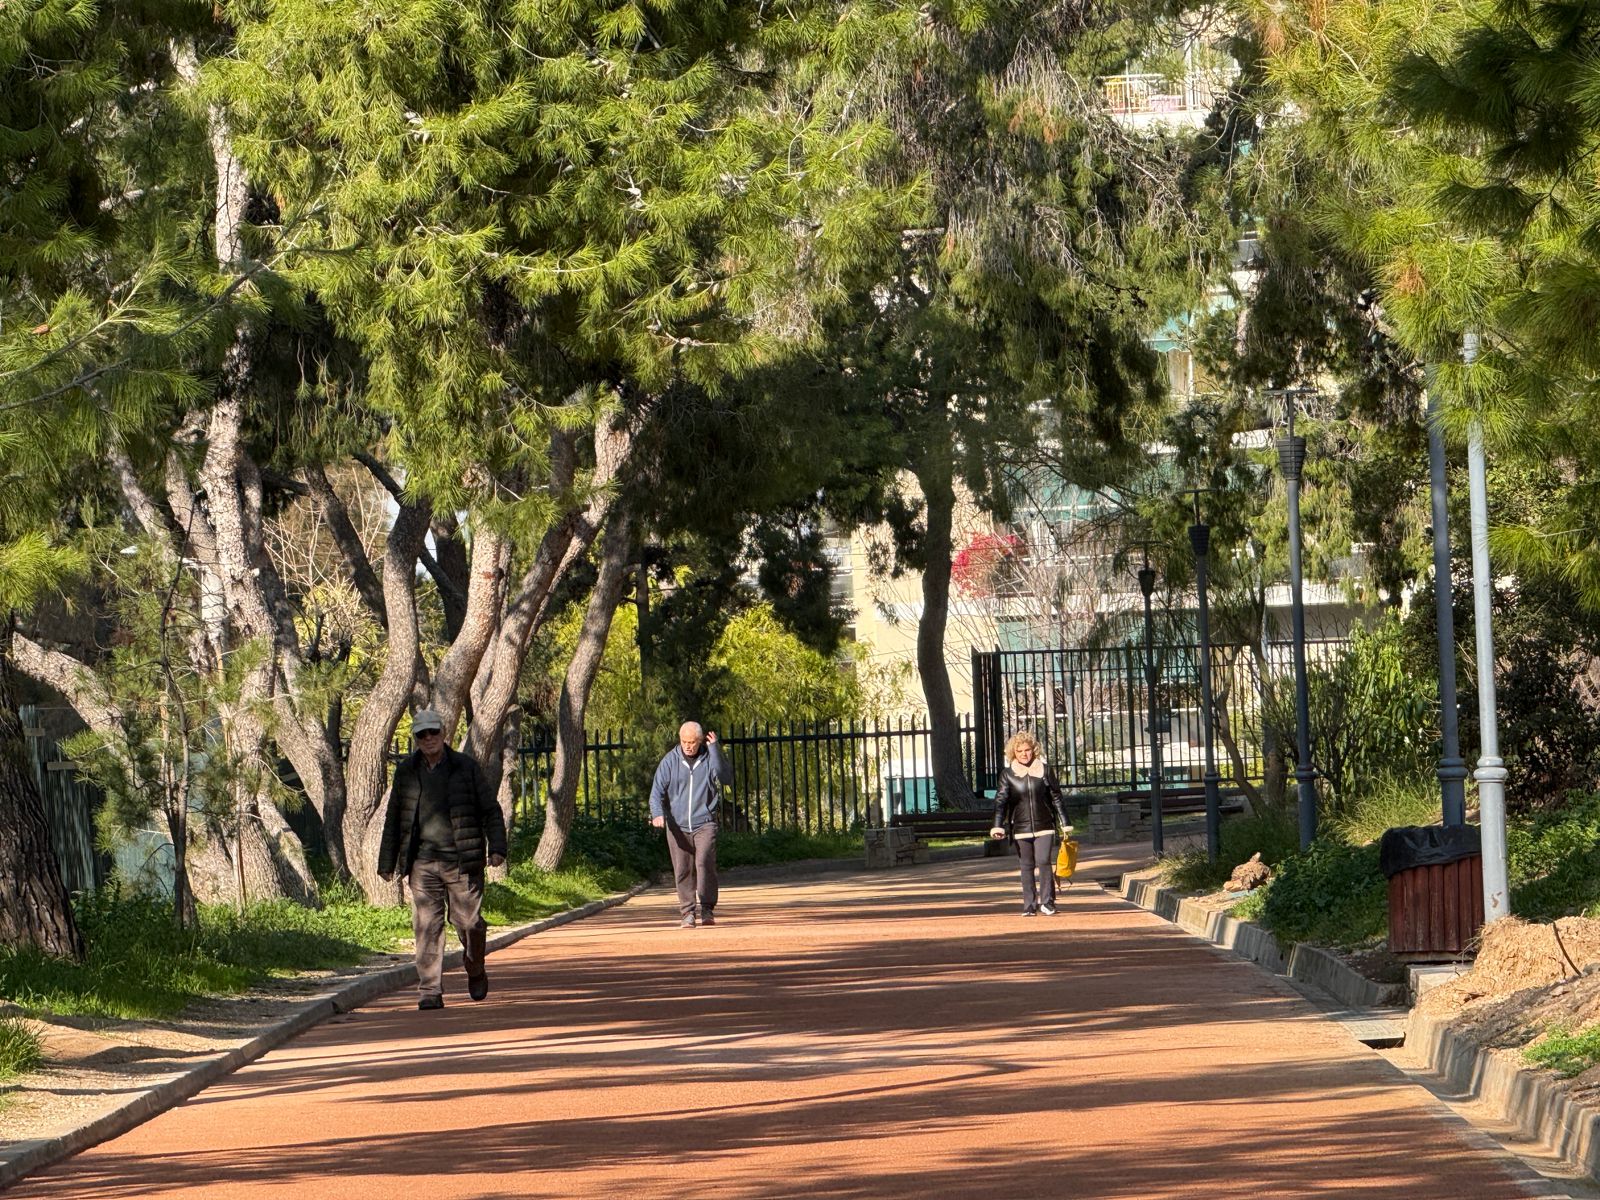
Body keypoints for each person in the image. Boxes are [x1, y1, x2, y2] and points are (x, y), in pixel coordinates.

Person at [377, 708, 507, 1009]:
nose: (428, 738)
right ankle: (430, 990)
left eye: (433, 732)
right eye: (421, 734)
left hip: (462, 862)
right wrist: (387, 861)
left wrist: (497, 848)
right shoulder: (407, 771)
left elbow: (490, 810)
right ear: (416, 739)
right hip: (422, 863)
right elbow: (394, 817)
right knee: (427, 926)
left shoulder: (465, 767)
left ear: (443, 733)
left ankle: (475, 966)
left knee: (469, 924)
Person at [650, 721, 732, 928]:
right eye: (684, 741)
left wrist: (715, 750)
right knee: (682, 869)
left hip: (704, 823)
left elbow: (725, 778)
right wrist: (657, 814)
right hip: (677, 826)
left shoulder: (709, 758)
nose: (688, 746)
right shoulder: (670, 761)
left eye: (692, 742)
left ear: (700, 740)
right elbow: (656, 792)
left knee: (704, 863)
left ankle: (707, 908)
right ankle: (687, 913)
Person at [990, 730, 1069, 916]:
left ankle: (1047, 902)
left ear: (1033, 750)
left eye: (1027, 750)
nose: (1024, 754)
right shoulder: (1007, 775)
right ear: (1013, 753)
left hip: (1045, 825)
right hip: (1020, 827)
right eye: (1019, 751)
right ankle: (1029, 905)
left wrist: (1065, 822)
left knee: (1043, 861)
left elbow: (1056, 797)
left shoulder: (1045, 770)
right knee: (1026, 865)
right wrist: (997, 825)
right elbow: (1001, 801)